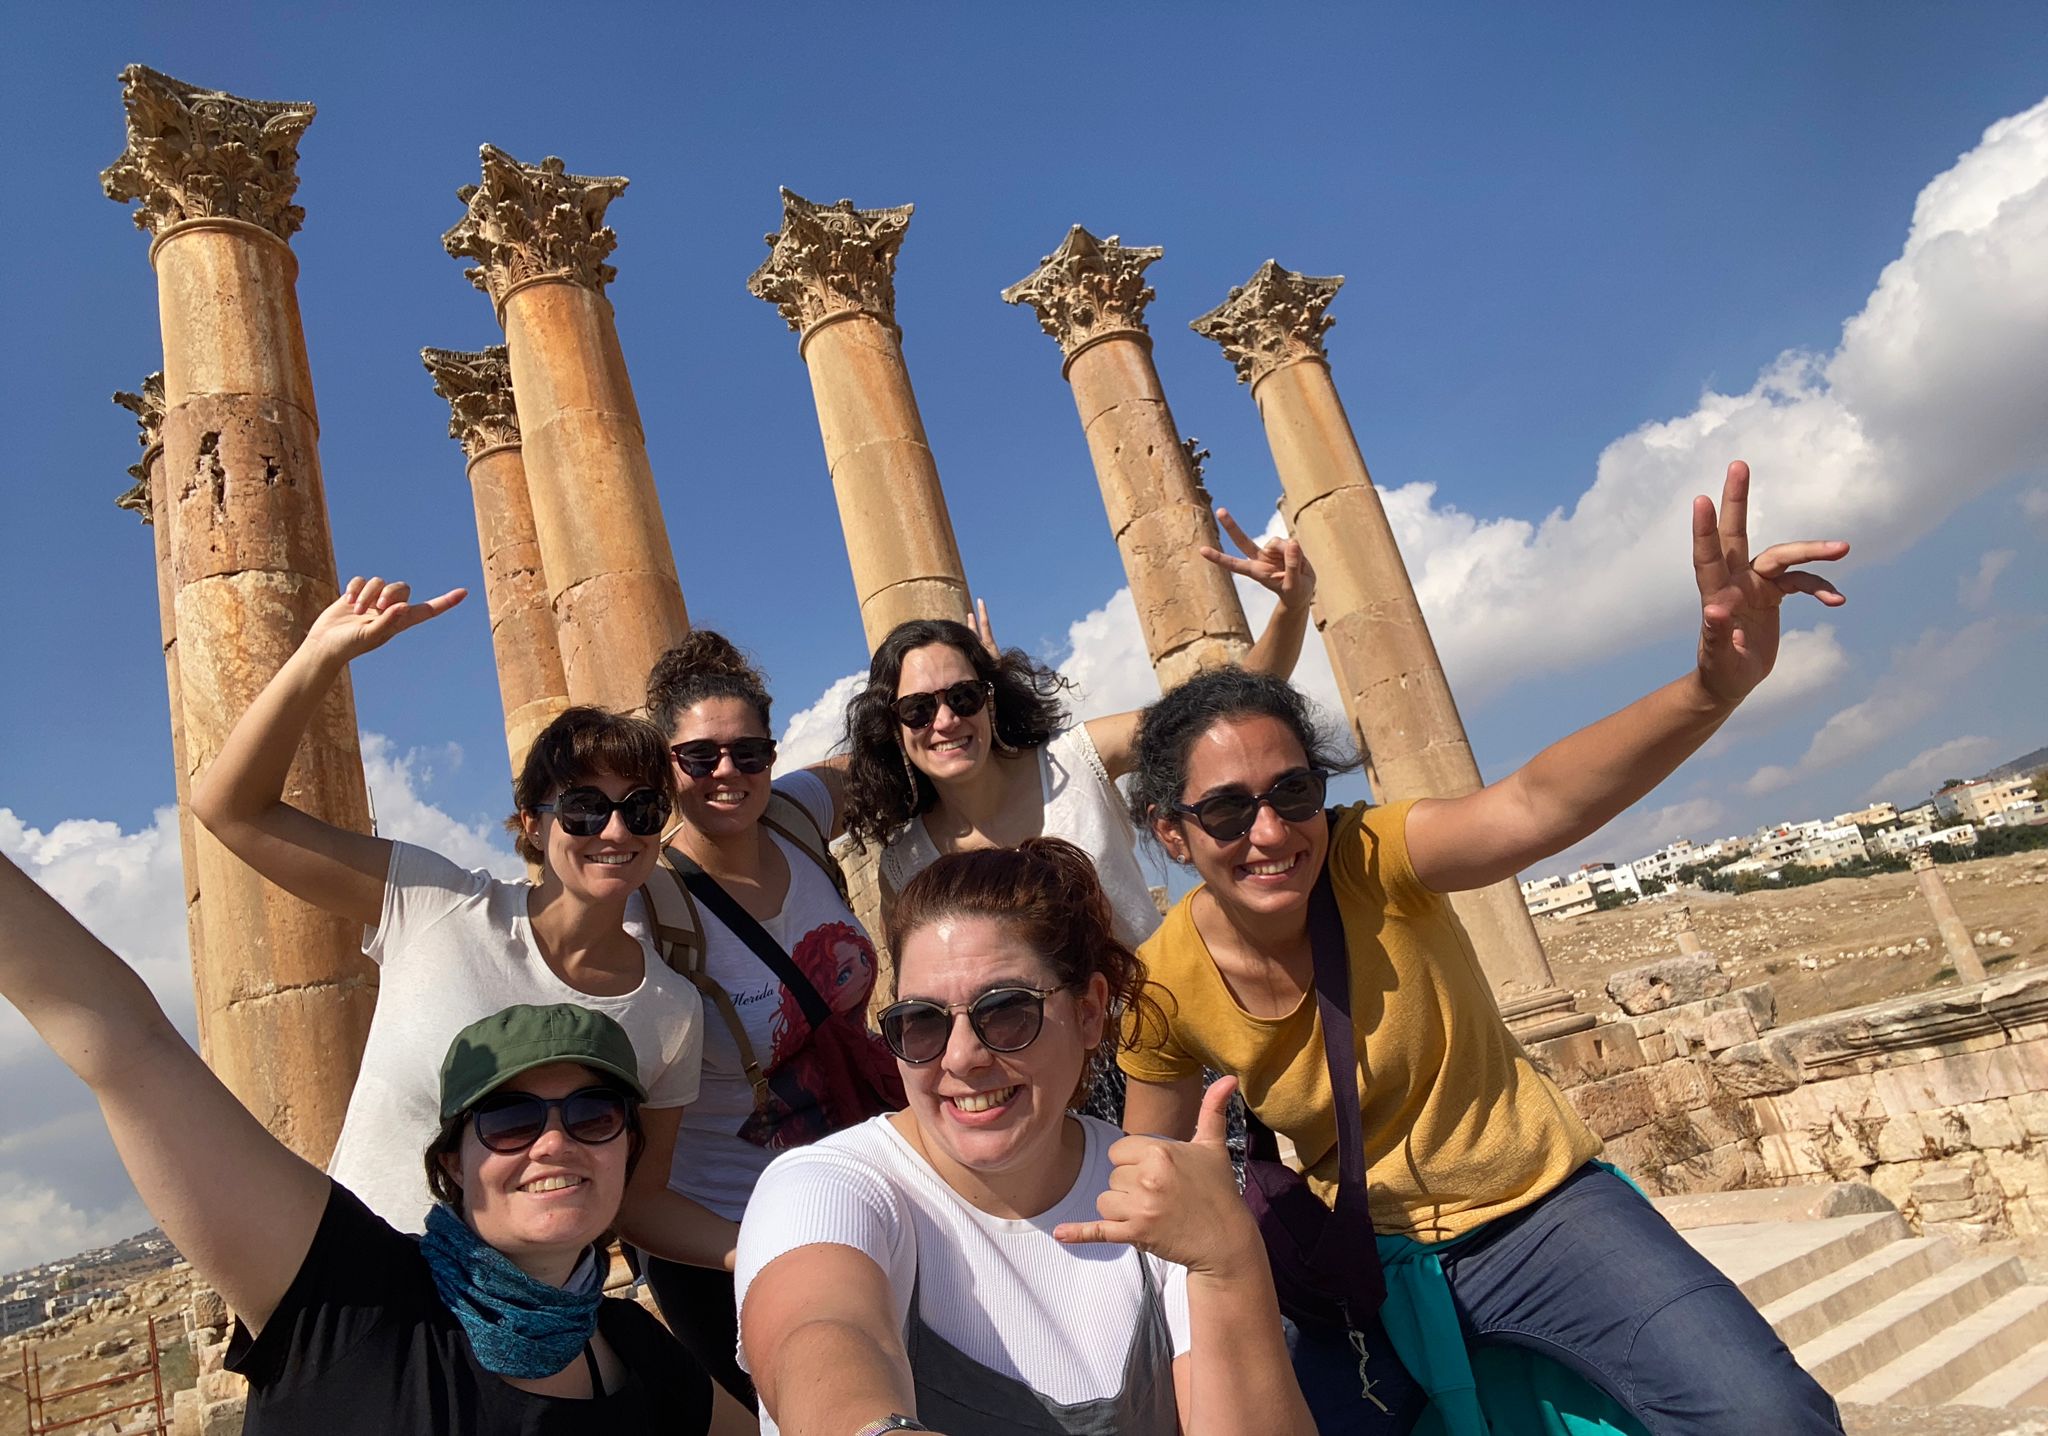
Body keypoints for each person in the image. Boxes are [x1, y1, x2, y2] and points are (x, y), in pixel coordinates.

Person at [1118, 461, 1847, 1434]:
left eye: (1291, 792)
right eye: (1223, 810)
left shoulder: (1369, 854)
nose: (1269, 831)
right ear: (1170, 833)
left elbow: (1532, 802)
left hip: (1536, 1203)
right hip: (1357, 1257)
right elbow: (1148, 1163)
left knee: (1764, 1415)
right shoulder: (1162, 982)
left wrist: (1708, 689)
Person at [0, 853, 754, 1433]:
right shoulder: (345, 1299)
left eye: (593, 1115)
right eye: (510, 1120)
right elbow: (125, 1041)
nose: (554, 1141)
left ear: (627, 1148)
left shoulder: (638, 1355)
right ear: (452, 1164)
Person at [190, 576, 730, 1277]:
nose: (616, 829)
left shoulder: (672, 1010)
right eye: (585, 808)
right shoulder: (437, 905)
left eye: (643, 809)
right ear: (533, 825)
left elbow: (637, 1201)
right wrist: (319, 657)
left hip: (529, 1329)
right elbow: (231, 809)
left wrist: (764, 1249)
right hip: (361, 1301)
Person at [735, 838, 1317, 1436]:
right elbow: (819, 1336)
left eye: (1007, 1011)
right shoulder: (826, 1186)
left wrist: (1229, 1261)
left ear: (1090, 1012)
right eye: (920, 1022)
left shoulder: (1157, 1196)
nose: (960, 1057)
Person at [838, 509, 1317, 948]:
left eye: (963, 697)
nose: (945, 721)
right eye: (918, 709)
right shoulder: (905, 865)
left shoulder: (1075, 761)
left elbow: (1219, 713)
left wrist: (1291, 610)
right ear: (893, 727)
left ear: (990, 700)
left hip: (1162, 1034)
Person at [634, 630, 905, 1404]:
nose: (729, 772)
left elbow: (902, 754)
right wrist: (768, 1248)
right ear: (666, 766)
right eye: (701, 758)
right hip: (734, 1236)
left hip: (866, 1191)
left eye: (750, 753)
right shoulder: (645, 906)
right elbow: (635, 1190)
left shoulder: (797, 813)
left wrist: (973, 686)